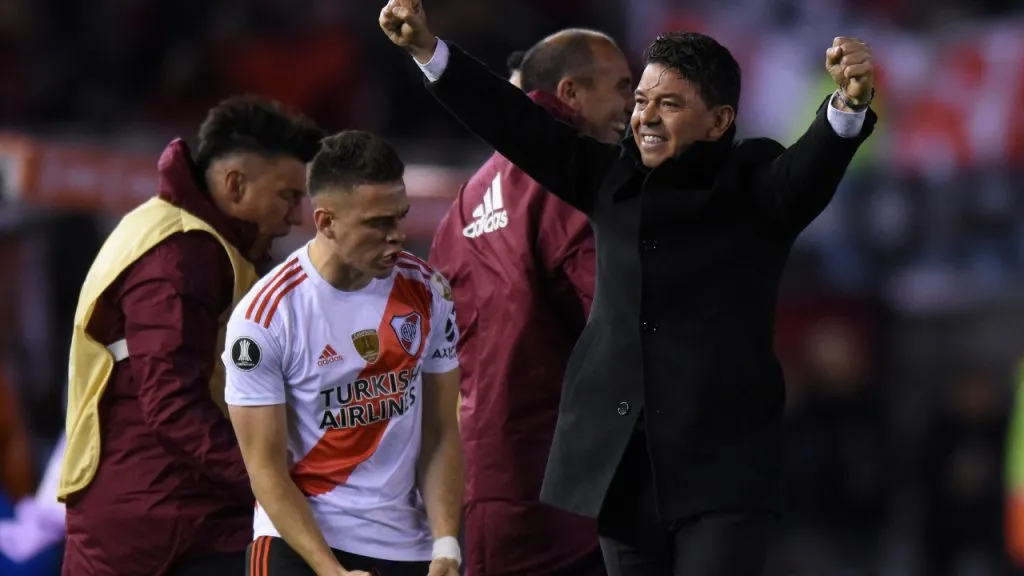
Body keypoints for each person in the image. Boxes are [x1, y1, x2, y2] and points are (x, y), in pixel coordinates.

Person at [380, 2, 878, 574]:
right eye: (641, 100)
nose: (644, 116)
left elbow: (812, 166)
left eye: (669, 104)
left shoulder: (757, 188)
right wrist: (427, 51)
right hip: (619, 476)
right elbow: (512, 121)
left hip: (721, 476)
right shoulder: (608, 178)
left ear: (718, 121)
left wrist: (848, 105)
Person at [60, 95, 324, 576]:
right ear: (236, 184)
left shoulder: (188, 241)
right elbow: (173, 405)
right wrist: (270, 484)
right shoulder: (182, 255)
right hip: (161, 524)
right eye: (287, 196)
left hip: (159, 509)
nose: (294, 216)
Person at [428, 28, 632, 576]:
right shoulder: (575, 184)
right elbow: (616, 326)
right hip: (566, 487)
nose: (633, 110)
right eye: (622, 89)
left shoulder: (464, 204)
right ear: (570, 94)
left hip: (479, 479)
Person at [223, 130, 463, 576]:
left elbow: (442, 431)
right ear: (326, 222)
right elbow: (265, 469)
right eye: (378, 223)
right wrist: (328, 570)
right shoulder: (265, 319)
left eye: (401, 217)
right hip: (299, 544)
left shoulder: (429, 291)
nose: (398, 235)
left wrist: (446, 543)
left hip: (405, 547)